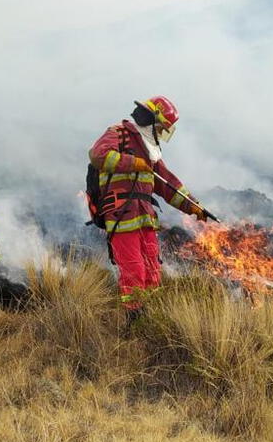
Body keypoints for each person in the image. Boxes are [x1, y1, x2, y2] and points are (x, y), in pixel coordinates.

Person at [88, 96, 212, 315]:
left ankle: (150, 318)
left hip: (146, 217)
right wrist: (132, 163)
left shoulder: (150, 151)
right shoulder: (118, 133)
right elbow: (98, 155)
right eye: (161, 128)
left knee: (153, 268)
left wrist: (193, 205)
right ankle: (134, 318)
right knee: (133, 269)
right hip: (121, 216)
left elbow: (168, 185)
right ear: (151, 121)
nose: (162, 133)